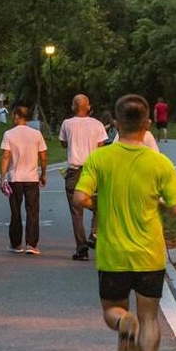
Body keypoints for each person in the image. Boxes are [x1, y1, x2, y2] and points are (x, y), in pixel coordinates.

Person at [72, 94, 176, 351]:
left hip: (113, 253)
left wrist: (97, 202)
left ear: (115, 123)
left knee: (112, 309)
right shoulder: (159, 163)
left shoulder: (100, 159)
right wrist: (160, 204)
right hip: (149, 253)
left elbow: (79, 198)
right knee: (149, 317)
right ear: (147, 124)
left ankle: (124, 321)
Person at [58, 94, 109, 260]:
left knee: (76, 212)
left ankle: (81, 250)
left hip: (74, 171)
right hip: (94, 170)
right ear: (88, 107)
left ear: (73, 107)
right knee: (100, 203)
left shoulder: (67, 124)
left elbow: (63, 143)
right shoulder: (97, 124)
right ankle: (94, 233)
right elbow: (101, 147)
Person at [0, 104, 48, 254]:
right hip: (32, 178)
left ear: (17, 116)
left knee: (15, 211)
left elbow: (6, 157)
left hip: (15, 178)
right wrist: (43, 173)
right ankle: (31, 244)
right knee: (32, 211)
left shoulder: (9, 134)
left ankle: (16, 244)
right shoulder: (36, 134)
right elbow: (43, 157)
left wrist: (2, 177)